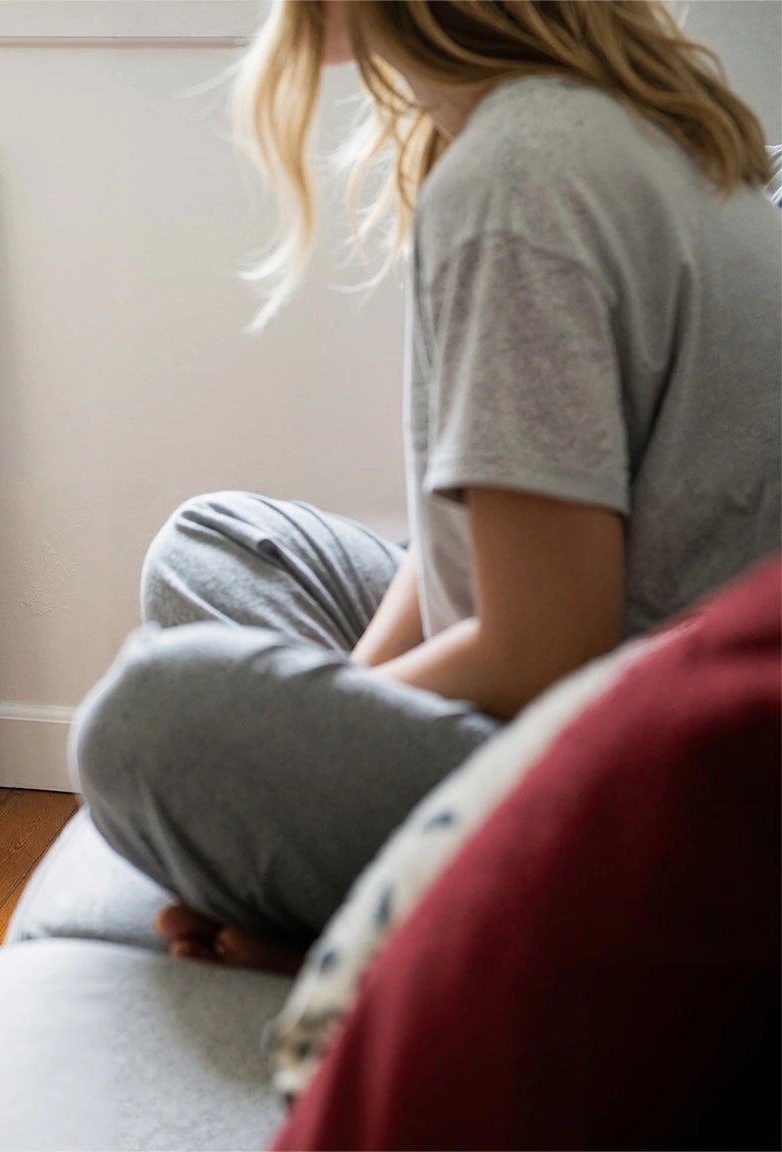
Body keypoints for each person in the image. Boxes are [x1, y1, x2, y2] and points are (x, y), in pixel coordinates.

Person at [75, 0, 780, 973]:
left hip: (632, 798)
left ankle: (371, 932)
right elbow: (471, 534)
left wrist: (310, 745)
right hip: (612, 702)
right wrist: (343, 712)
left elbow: (542, 651)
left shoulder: (520, 173)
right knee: (215, 545)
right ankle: (336, 891)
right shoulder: (577, 120)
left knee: (143, 725)